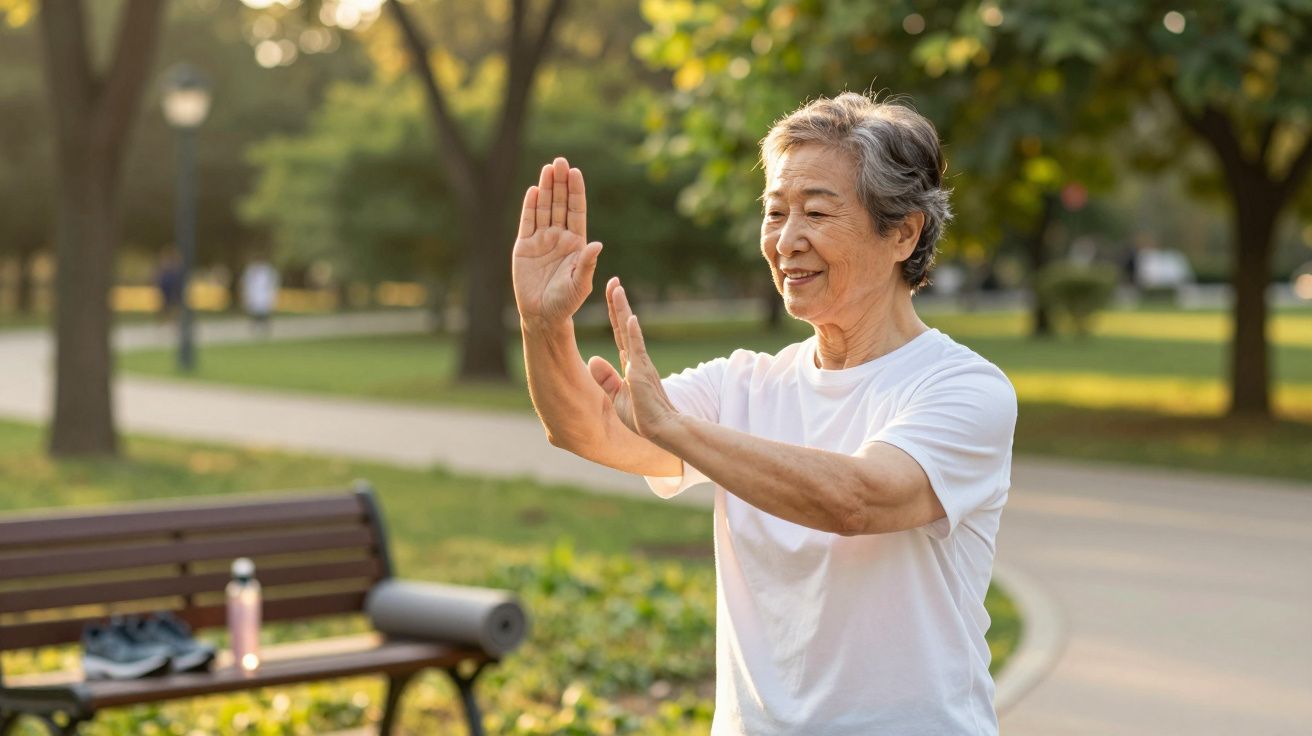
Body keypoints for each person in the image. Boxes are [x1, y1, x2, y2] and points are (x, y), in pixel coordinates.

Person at [512, 93, 1017, 735]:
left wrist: (674, 428)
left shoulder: (964, 388)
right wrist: (543, 323)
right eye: (775, 212)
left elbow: (860, 500)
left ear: (903, 232)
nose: (785, 240)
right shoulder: (743, 384)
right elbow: (585, 429)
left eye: (815, 212)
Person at [240, 256, 279, 336]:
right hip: (254, 297)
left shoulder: (268, 271)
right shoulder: (251, 271)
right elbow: (246, 285)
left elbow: (272, 285)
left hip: (264, 297)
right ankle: (255, 333)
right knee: (255, 316)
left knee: (264, 316)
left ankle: (265, 332)